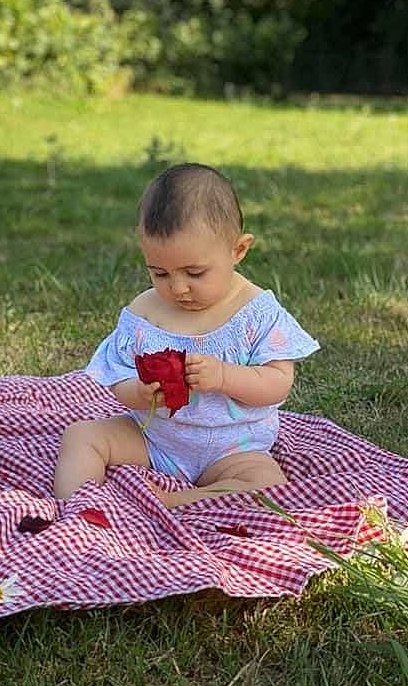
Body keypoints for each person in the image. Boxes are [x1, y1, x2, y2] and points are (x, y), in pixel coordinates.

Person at [53, 163, 320, 508]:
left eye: (195, 272)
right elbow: (117, 374)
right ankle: (79, 508)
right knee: (82, 436)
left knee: (267, 483)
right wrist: (140, 392)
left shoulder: (256, 313)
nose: (178, 288)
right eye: (159, 273)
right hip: (156, 439)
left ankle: (181, 500)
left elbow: (277, 383)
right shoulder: (145, 314)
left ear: (238, 251)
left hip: (233, 447)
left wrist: (224, 376)